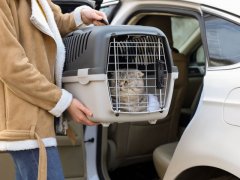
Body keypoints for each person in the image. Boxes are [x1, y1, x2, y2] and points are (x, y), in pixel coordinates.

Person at [0, 0, 107, 180]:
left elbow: (54, 21)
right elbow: (11, 67)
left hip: (38, 121)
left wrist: (80, 16)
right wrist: (63, 101)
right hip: (26, 124)